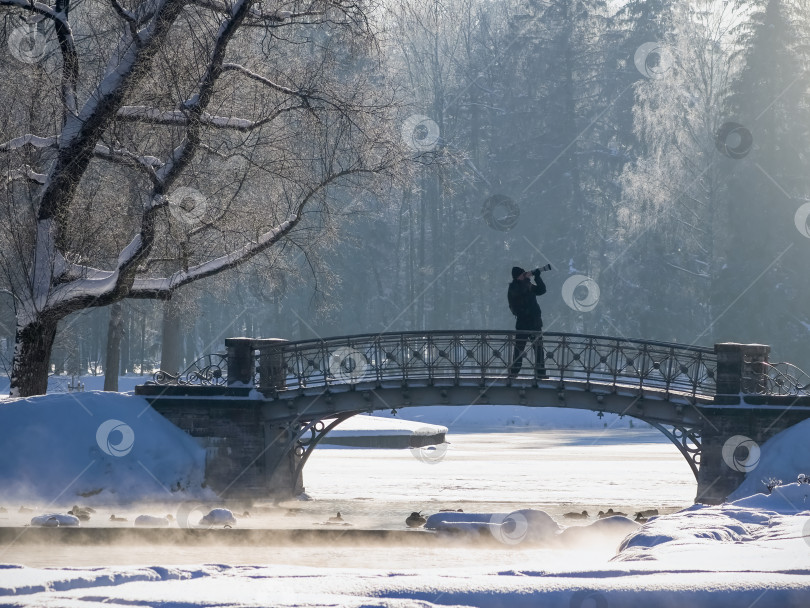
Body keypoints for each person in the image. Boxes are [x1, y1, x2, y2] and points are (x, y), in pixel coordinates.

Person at [507, 266, 547, 377]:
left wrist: (537, 277)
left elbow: (542, 290)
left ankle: (540, 373)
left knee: (538, 349)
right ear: (517, 276)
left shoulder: (528, 285)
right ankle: (514, 373)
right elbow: (515, 302)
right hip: (523, 323)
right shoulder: (513, 288)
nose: (525, 275)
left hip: (534, 323)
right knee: (519, 349)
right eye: (523, 274)